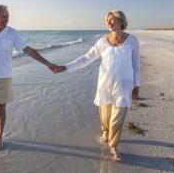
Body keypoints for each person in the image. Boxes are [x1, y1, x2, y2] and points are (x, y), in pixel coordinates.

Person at [0, 4, 57, 151]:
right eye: (3, 17)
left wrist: (48, 64)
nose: (7, 19)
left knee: (1, 108)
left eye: (8, 16)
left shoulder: (12, 33)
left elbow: (29, 51)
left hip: (4, 77)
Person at [54, 10, 140, 161]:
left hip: (124, 84)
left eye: (111, 20)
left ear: (120, 21)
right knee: (105, 116)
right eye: (107, 21)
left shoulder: (132, 41)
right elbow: (87, 58)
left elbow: (136, 64)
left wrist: (137, 84)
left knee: (117, 118)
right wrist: (67, 67)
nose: (108, 23)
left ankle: (114, 147)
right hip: (105, 84)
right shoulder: (102, 41)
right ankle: (105, 131)